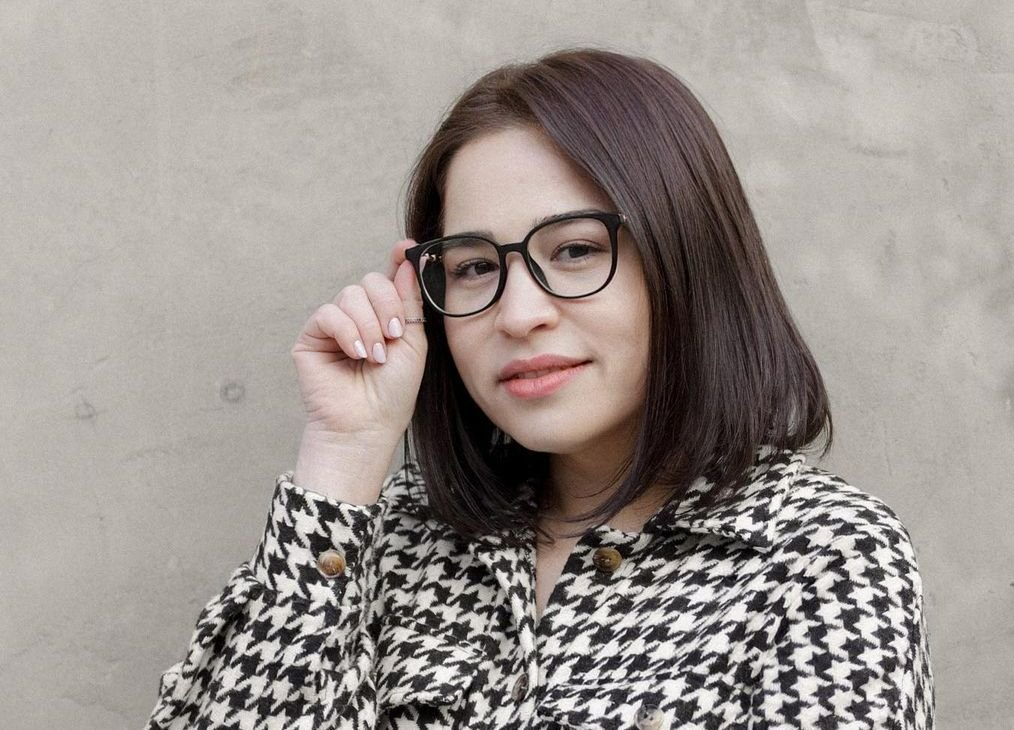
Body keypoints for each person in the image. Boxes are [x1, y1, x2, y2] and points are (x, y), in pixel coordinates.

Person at [145, 47, 934, 729]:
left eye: (577, 250)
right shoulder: (390, 541)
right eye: (474, 267)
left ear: (687, 258)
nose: (519, 314)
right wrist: (343, 456)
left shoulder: (820, 556)